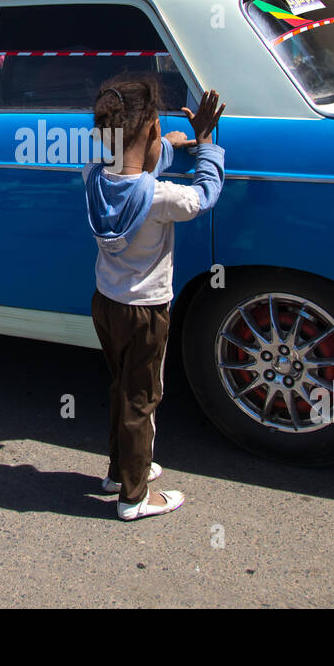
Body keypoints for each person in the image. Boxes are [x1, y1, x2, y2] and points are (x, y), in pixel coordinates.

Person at [82, 75, 225, 521]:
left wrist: (164, 144)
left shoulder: (92, 178)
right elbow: (204, 195)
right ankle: (134, 496)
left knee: (120, 387)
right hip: (145, 311)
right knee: (142, 399)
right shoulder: (161, 198)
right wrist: (205, 145)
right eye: (159, 133)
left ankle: (118, 471)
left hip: (105, 304)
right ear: (149, 132)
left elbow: (131, 177)